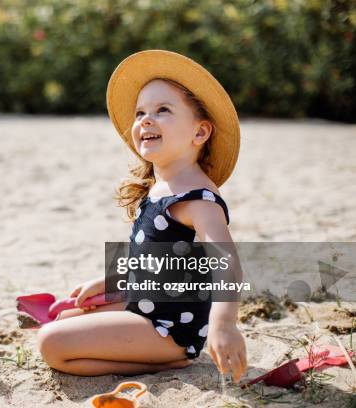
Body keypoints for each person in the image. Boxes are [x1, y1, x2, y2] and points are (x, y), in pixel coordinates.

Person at [36, 50, 247, 381]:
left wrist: (224, 324)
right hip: (148, 306)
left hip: (169, 328)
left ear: (200, 133)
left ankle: (164, 361)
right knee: (63, 321)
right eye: (140, 112)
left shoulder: (198, 199)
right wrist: (113, 282)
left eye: (163, 110)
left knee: (51, 343)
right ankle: (151, 355)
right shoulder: (160, 185)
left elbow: (227, 264)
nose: (146, 119)